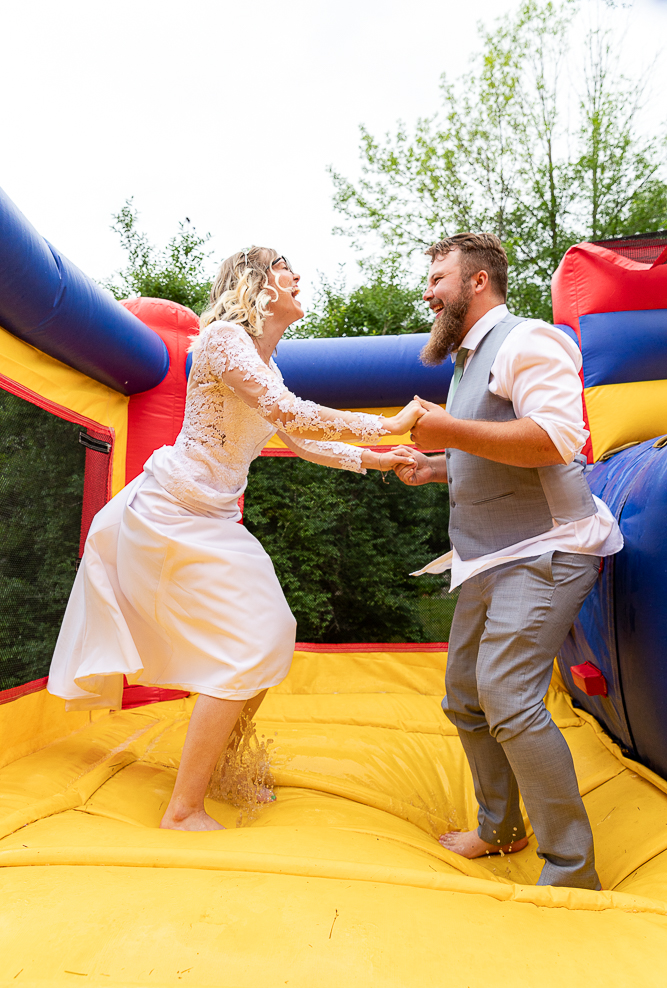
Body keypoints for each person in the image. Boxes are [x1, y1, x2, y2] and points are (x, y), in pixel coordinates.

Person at [48, 246, 423, 832]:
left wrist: (380, 460)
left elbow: (302, 441)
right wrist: (387, 423)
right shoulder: (222, 339)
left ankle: (220, 768)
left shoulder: (266, 366)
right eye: (284, 267)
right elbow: (290, 414)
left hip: (213, 520)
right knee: (245, 647)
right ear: (256, 283)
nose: (299, 276)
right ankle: (182, 809)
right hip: (172, 511)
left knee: (272, 633)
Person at [392, 233, 623, 890]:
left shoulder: (528, 340)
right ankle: (500, 829)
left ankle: (572, 870)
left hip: (547, 549)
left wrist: (448, 432)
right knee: (465, 699)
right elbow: (489, 451)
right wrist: (434, 467)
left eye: (438, 276)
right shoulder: (467, 362)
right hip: (488, 557)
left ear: (477, 282)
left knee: (507, 697)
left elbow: (556, 440)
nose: (427, 290)